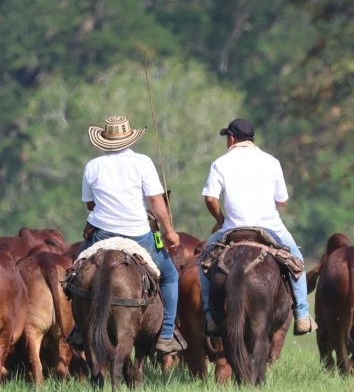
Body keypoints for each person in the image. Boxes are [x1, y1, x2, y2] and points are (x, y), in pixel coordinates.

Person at [199, 118, 316, 336]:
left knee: (202, 263)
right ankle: (301, 314)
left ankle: (209, 316)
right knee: (297, 260)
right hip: (270, 228)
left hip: (232, 228)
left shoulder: (220, 163)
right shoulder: (271, 162)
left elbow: (210, 199)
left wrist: (220, 219)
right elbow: (282, 200)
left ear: (231, 138)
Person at [78, 116, 184, 355]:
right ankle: (167, 334)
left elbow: (90, 205)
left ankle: (77, 328)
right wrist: (169, 232)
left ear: (105, 140)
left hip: (100, 234)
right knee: (170, 276)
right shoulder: (143, 162)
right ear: (129, 138)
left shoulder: (92, 166)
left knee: (75, 274)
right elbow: (156, 200)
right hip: (138, 234)